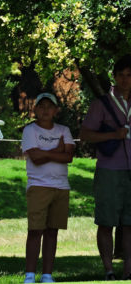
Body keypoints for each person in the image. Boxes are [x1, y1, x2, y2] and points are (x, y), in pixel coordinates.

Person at [80, 54, 131, 280]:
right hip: (110, 169)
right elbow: (84, 135)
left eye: (130, 75)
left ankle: (129, 269)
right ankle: (109, 269)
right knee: (106, 221)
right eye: (121, 75)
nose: (125, 80)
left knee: (130, 223)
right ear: (114, 77)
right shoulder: (102, 104)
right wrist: (113, 134)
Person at [21, 93, 75, 283]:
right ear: (35, 110)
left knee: (52, 231)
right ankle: (29, 275)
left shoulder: (64, 130)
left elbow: (68, 157)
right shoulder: (30, 130)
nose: (45, 110)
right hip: (38, 186)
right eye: (41, 106)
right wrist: (57, 151)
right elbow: (35, 158)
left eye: (49, 106)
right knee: (35, 231)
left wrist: (47, 153)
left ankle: (47, 275)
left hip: (61, 187)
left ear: (56, 110)